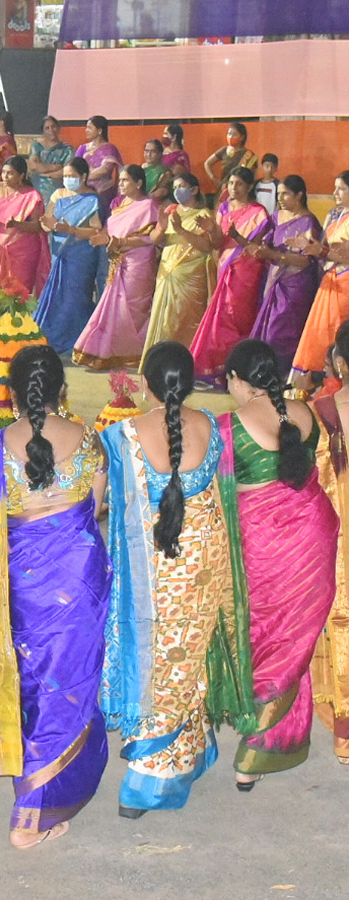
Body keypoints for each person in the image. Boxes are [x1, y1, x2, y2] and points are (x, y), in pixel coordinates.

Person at [100, 341, 251, 818]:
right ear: (189, 383)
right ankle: (182, 752)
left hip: (155, 567)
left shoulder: (124, 434)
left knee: (157, 659)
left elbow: (105, 506)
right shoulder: (209, 424)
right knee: (186, 657)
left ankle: (146, 782)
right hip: (203, 561)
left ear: (145, 385)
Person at [0, 346, 111, 847]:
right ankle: (35, 810)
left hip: (23, 582)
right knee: (71, 679)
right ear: (61, 391)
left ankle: (35, 794)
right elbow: (95, 508)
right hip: (78, 578)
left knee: (33, 681)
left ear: (11, 395)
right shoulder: (90, 441)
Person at [220, 340, 337, 786]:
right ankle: (273, 740)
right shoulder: (304, 413)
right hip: (312, 535)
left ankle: (256, 750)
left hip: (263, 544)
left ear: (237, 379)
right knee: (292, 637)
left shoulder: (230, 426)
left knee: (261, 633)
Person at [189, 166, 272, 382]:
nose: (233, 188)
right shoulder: (224, 209)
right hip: (225, 266)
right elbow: (218, 243)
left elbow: (255, 247)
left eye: (239, 184)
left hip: (247, 271)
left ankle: (239, 369)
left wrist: (236, 236)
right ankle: (219, 368)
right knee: (221, 318)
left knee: (239, 318)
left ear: (249, 187)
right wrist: (212, 229)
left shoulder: (259, 213)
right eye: (231, 183)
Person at [74, 165, 160, 370]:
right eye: (119, 180)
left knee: (134, 307)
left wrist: (121, 243)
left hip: (138, 262)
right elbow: (108, 232)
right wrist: (101, 239)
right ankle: (108, 351)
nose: (120, 184)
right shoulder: (119, 205)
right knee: (112, 305)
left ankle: (134, 352)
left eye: (125, 180)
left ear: (138, 183)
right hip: (117, 260)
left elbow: (150, 237)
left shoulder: (149, 206)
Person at [311, 319, 349, 762]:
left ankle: (344, 734)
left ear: (339, 361)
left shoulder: (323, 411)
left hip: (340, 536)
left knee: (341, 622)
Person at [0, 157, 48, 356]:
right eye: (4, 172)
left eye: (10, 173)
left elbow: (37, 225)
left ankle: (18, 343)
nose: (5, 177)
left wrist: (17, 224)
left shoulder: (32, 195)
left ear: (22, 175)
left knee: (18, 295)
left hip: (23, 252)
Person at [247, 175, 323, 372]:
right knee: (267, 329)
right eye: (278, 194)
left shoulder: (308, 223)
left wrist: (273, 255)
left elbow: (304, 260)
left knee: (282, 334)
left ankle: (282, 376)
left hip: (296, 286)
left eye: (285, 194)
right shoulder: (277, 217)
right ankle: (264, 374)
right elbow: (261, 243)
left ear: (299, 195)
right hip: (274, 281)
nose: (280, 198)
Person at [141, 172, 217, 362]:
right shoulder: (171, 211)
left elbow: (207, 247)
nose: (177, 192)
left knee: (184, 321)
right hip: (167, 272)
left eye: (181, 187)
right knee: (164, 320)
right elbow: (155, 240)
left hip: (190, 277)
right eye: (174, 188)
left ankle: (184, 363)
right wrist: (161, 227)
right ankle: (160, 362)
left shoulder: (203, 215)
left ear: (194, 190)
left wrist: (181, 230)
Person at [32, 157, 103, 353]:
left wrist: (71, 229)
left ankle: (76, 340)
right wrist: (47, 224)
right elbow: (48, 221)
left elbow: (96, 230)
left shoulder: (92, 199)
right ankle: (55, 335)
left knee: (76, 297)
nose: (67, 179)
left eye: (72, 176)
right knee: (57, 295)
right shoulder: (58, 194)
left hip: (81, 255)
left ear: (84, 177)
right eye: (65, 176)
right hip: (59, 252)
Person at [291, 172, 349, 383]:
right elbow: (324, 247)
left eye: (341, 188)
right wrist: (308, 246)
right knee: (320, 331)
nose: (335, 193)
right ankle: (320, 382)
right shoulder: (334, 215)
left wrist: (322, 252)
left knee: (339, 330)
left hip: (346, 284)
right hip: (330, 280)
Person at [80, 115, 122, 221]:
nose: (86, 130)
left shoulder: (109, 148)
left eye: (90, 128)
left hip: (104, 194)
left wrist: (84, 176)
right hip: (83, 192)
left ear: (99, 131)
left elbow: (105, 169)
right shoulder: (82, 148)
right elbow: (75, 168)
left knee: (101, 221)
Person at [204, 122, 258, 204]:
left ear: (242, 137)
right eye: (229, 134)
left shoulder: (248, 155)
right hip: (223, 190)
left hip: (240, 193)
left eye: (234, 134)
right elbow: (207, 163)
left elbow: (252, 177)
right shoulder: (224, 150)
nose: (231, 137)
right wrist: (214, 179)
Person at [27, 116, 74, 206]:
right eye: (47, 128)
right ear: (43, 131)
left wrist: (47, 174)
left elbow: (67, 170)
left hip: (58, 189)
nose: (51, 130)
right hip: (38, 187)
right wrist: (54, 167)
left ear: (58, 128)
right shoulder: (37, 147)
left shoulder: (67, 149)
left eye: (53, 127)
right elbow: (33, 166)